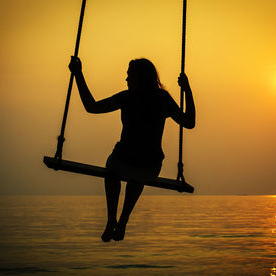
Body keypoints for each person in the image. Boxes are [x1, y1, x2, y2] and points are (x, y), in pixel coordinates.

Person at [69, 57, 195, 242]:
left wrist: (78, 74)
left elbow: (92, 107)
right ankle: (123, 221)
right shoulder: (162, 99)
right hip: (150, 167)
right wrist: (187, 89)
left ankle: (112, 219)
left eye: (129, 75)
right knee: (138, 175)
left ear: (138, 78)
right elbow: (189, 122)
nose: (126, 80)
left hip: (123, 162)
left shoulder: (127, 98)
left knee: (112, 171)